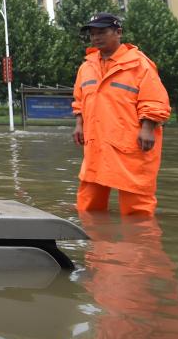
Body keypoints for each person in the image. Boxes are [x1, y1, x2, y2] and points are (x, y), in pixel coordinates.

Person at [72, 13, 170, 216]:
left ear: (118, 32)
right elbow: (79, 99)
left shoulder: (139, 64)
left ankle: (140, 244)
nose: (95, 37)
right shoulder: (86, 67)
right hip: (96, 144)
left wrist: (148, 128)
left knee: (137, 206)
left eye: (102, 32)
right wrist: (79, 124)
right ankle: (95, 243)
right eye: (92, 34)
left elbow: (154, 100)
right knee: (88, 204)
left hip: (131, 144)